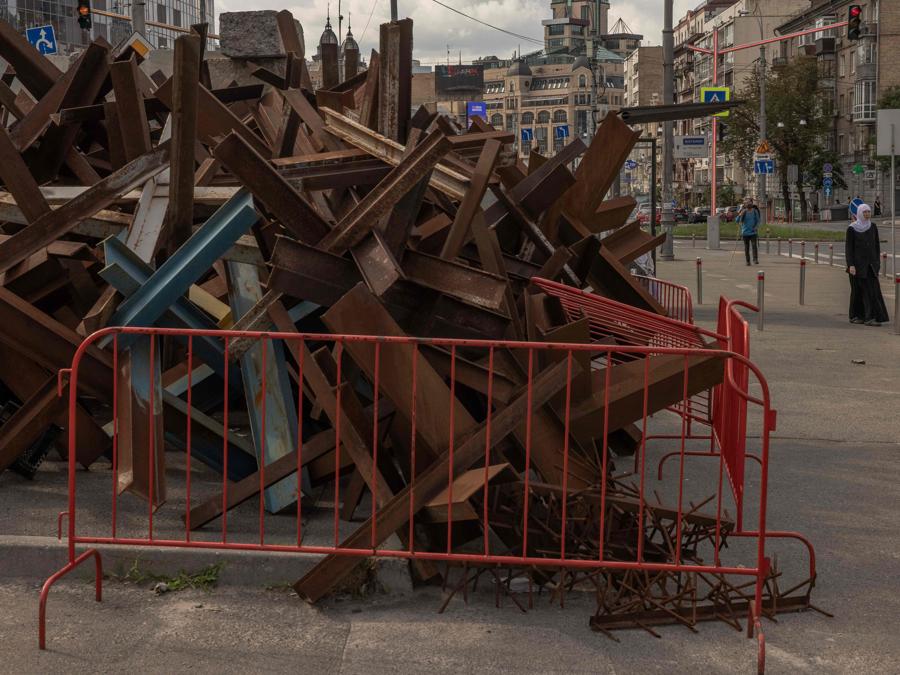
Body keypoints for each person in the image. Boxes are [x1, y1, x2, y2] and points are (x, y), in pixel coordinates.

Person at [846, 203, 889, 326]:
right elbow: (849, 249)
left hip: (870, 266)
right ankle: (856, 316)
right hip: (857, 267)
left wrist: (877, 263)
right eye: (864, 212)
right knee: (858, 292)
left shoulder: (873, 226)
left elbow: (876, 246)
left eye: (868, 212)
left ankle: (871, 317)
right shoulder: (852, 228)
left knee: (872, 291)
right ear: (859, 213)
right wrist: (851, 265)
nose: (867, 214)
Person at [736, 198, 761, 266]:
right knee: (746, 247)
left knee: (754, 246)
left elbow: (758, 221)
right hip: (745, 232)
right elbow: (737, 220)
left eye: (749, 202)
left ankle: (755, 259)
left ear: (752, 203)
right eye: (746, 203)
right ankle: (748, 261)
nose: (748, 204)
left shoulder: (755, 211)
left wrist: (756, 227)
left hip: (753, 232)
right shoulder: (744, 211)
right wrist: (740, 214)